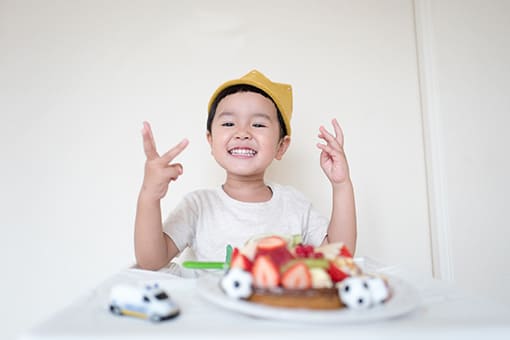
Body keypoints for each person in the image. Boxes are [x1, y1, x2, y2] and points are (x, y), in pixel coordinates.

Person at [134, 70, 356, 271]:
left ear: (281, 146)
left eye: (258, 125)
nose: (242, 133)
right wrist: (149, 196)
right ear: (211, 141)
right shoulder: (198, 206)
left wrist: (341, 185)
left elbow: (338, 257)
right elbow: (151, 261)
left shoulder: (295, 205)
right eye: (229, 124)